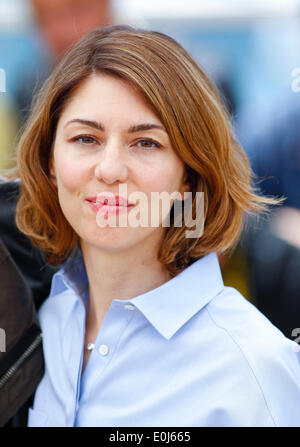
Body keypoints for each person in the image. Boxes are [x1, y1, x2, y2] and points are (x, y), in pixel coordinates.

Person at [9, 24, 300, 427]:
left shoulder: (252, 366)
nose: (110, 169)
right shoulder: (36, 325)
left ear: (189, 176)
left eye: (146, 143)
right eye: (85, 138)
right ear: (50, 163)